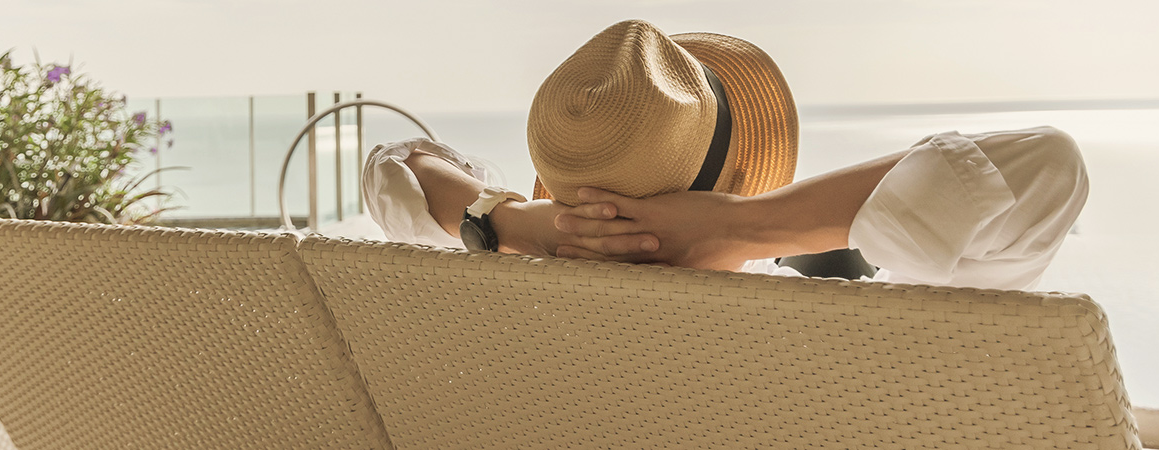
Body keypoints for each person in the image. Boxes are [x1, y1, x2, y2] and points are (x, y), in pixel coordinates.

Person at [361, 20, 1088, 291]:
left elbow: (394, 167)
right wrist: (739, 226)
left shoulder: (514, 308)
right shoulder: (831, 328)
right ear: (740, 177)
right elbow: (1042, 165)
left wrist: (520, 227)